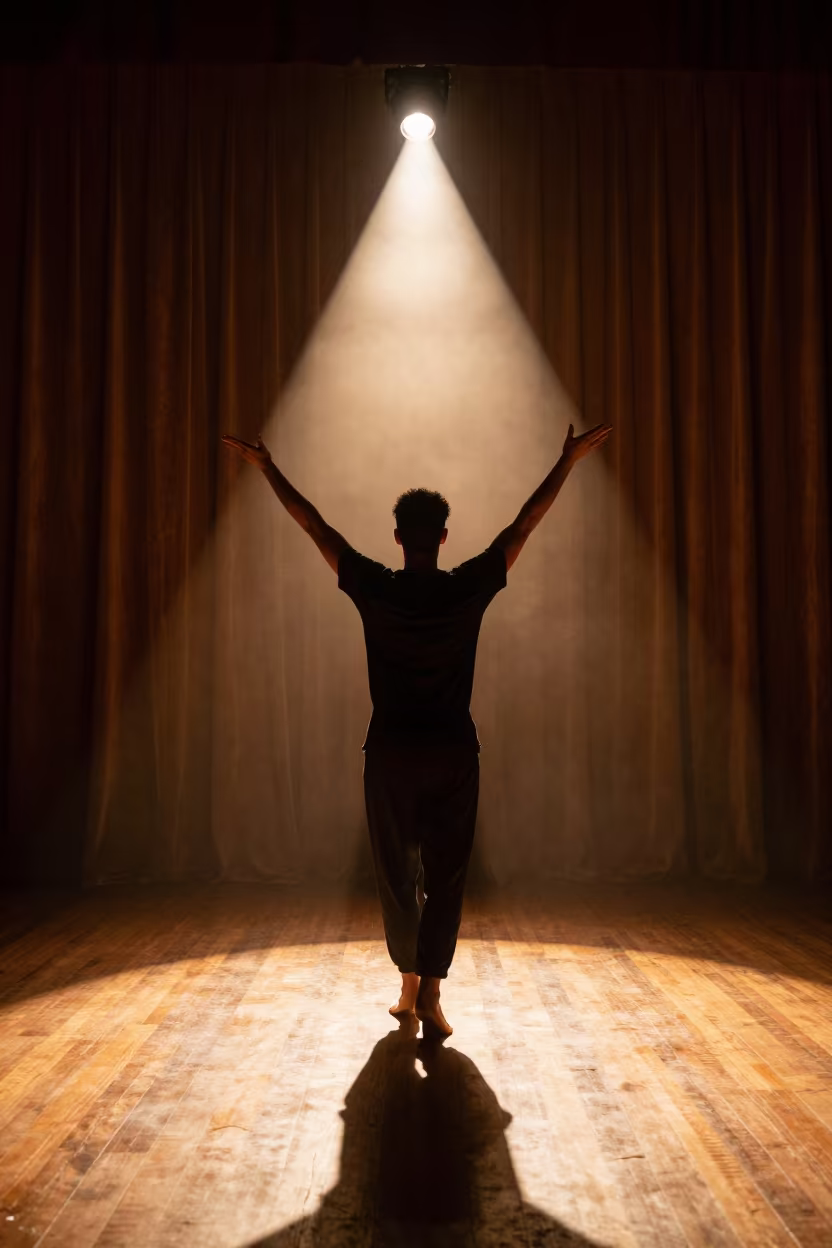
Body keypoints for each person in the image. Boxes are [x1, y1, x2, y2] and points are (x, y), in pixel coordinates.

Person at [222, 419, 611, 1037]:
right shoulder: (465, 589)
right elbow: (524, 524)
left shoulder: (377, 588)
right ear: (444, 537)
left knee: (397, 875)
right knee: (447, 874)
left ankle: (412, 983)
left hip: (392, 753)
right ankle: (426, 990)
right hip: (452, 751)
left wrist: (268, 468)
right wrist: (566, 460)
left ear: (399, 537)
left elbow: (315, 526)